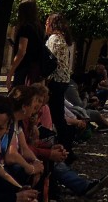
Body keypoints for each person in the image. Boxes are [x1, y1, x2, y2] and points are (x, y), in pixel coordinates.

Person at [45, 12, 75, 151]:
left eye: (47, 23)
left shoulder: (54, 39)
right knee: (58, 115)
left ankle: (66, 147)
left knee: (56, 116)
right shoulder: (61, 38)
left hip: (55, 81)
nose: (45, 25)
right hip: (63, 80)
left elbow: (51, 62)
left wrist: (44, 80)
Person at [6, 0, 44, 89]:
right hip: (35, 68)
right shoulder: (39, 27)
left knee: (19, 98)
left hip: (24, 69)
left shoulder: (25, 27)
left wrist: (10, 73)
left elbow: (21, 52)